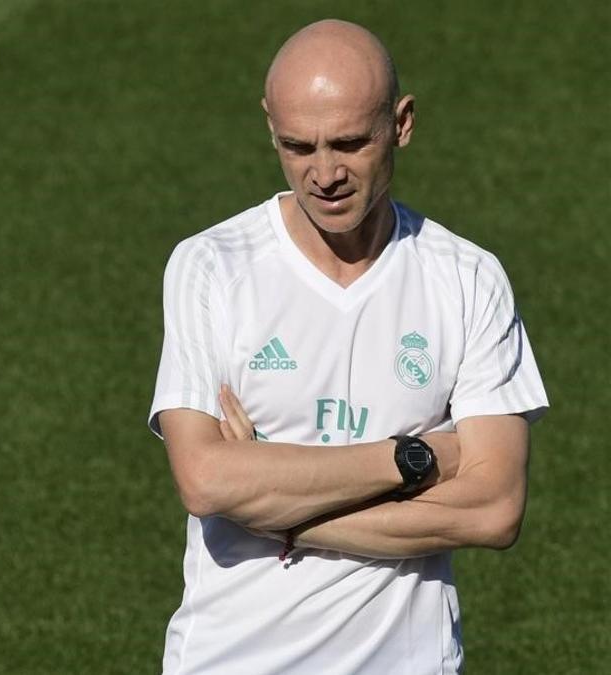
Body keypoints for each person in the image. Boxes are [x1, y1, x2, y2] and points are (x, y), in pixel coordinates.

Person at [148, 19, 546, 674]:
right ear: (269, 124)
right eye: (298, 146)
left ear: (402, 124)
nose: (324, 173)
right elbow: (205, 479)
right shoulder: (210, 266)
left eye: (350, 143)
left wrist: (276, 507)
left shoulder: (469, 278)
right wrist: (415, 459)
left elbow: (495, 507)